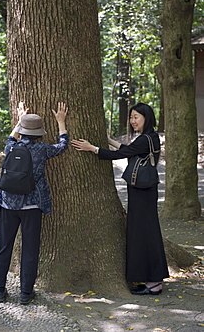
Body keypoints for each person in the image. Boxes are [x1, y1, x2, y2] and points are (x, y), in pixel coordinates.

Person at [71, 102, 169, 295]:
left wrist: (92, 148)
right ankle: (152, 279)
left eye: (136, 117)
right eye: (131, 117)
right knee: (145, 232)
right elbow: (131, 150)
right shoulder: (150, 137)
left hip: (142, 192)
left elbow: (121, 154)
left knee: (144, 233)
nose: (133, 121)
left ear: (146, 118)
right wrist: (109, 140)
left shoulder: (145, 139)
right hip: (144, 192)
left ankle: (154, 282)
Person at [0, 101, 68, 304]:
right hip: (32, 205)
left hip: (7, 204)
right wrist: (61, 122)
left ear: (23, 131)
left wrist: (19, 120)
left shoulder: (11, 146)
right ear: (40, 133)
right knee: (30, 248)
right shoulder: (42, 150)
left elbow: (11, 136)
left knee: (2, 246)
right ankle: (26, 293)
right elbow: (62, 146)